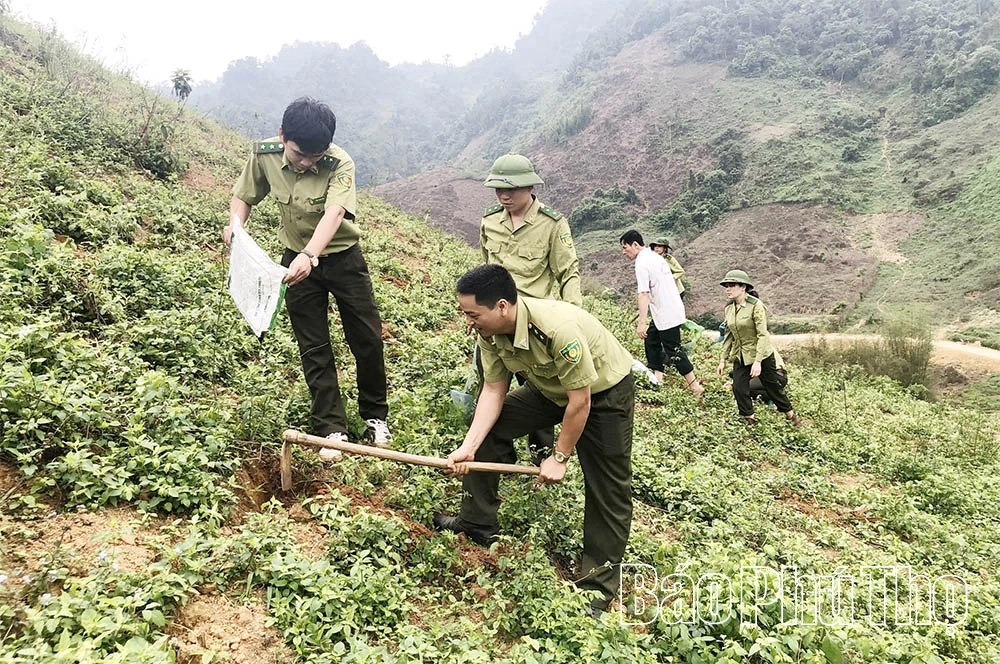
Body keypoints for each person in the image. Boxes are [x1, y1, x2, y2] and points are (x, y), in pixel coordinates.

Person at [434, 264, 634, 616]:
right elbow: (493, 390)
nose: (468, 321)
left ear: (501, 306)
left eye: (472, 313)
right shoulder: (489, 332)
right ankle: (477, 523)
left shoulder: (558, 331)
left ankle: (596, 588)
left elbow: (580, 401)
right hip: (548, 389)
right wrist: (468, 447)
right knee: (490, 431)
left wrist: (559, 457)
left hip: (602, 393)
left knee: (608, 486)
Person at [223, 97, 392, 461]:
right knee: (313, 344)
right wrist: (235, 227)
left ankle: (376, 417)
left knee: (366, 336)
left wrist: (311, 255)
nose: (306, 162)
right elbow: (244, 196)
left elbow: (334, 214)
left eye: (315, 156)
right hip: (294, 258)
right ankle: (331, 427)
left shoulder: (339, 161)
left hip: (342, 258)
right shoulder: (264, 154)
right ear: (283, 136)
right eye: (300, 154)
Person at [479, 153, 582, 460]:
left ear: (530, 188)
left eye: (511, 189)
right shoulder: (489, 221)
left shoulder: (552, 224)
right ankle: (498, 456)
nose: (504, 195)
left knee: (543, 396)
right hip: (496, 326)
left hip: (534, 328)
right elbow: (485, 269)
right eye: (498, 189)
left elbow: (568, 271)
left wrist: (573, 315)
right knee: (491, 388)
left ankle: (541, 458)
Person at [619, 230, 704, 397]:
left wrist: (641, 322)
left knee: (674, 350)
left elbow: (643, 293)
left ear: (635, 245)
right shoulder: (655, 257)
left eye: (625, 247)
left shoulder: (642, 263)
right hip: (668, 308)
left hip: (666, 313)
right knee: (651, 339)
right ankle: (658, 377)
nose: (624, 252)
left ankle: (695, 386)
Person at [714, 270, 801, 426]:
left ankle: (791, 416)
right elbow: (728, 335)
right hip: (740, 353)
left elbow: (763, 335)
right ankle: (750, 419)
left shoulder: (756, 306)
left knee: (773, 387)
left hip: (762, 354)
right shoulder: (728, 308)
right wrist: (722, 359)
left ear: (743, 287)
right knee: (739, 388)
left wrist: (758, 361)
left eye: (731, 285)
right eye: (726, 286)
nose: (727, 289)